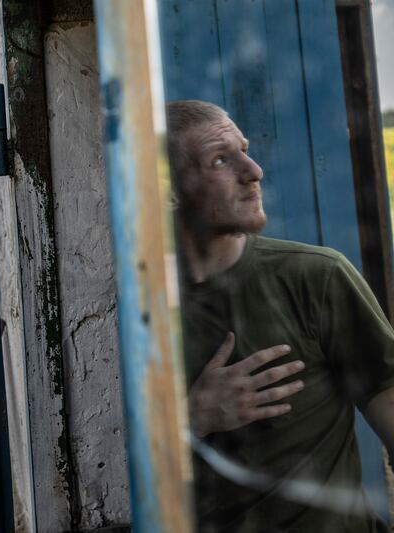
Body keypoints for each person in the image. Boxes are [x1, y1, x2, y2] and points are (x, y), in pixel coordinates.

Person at [168, 100, 394, 532]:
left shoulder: (319, 277)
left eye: (245, 150)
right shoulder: (140, 311)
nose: (254, 171)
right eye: (220, 159)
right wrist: (192, 418)